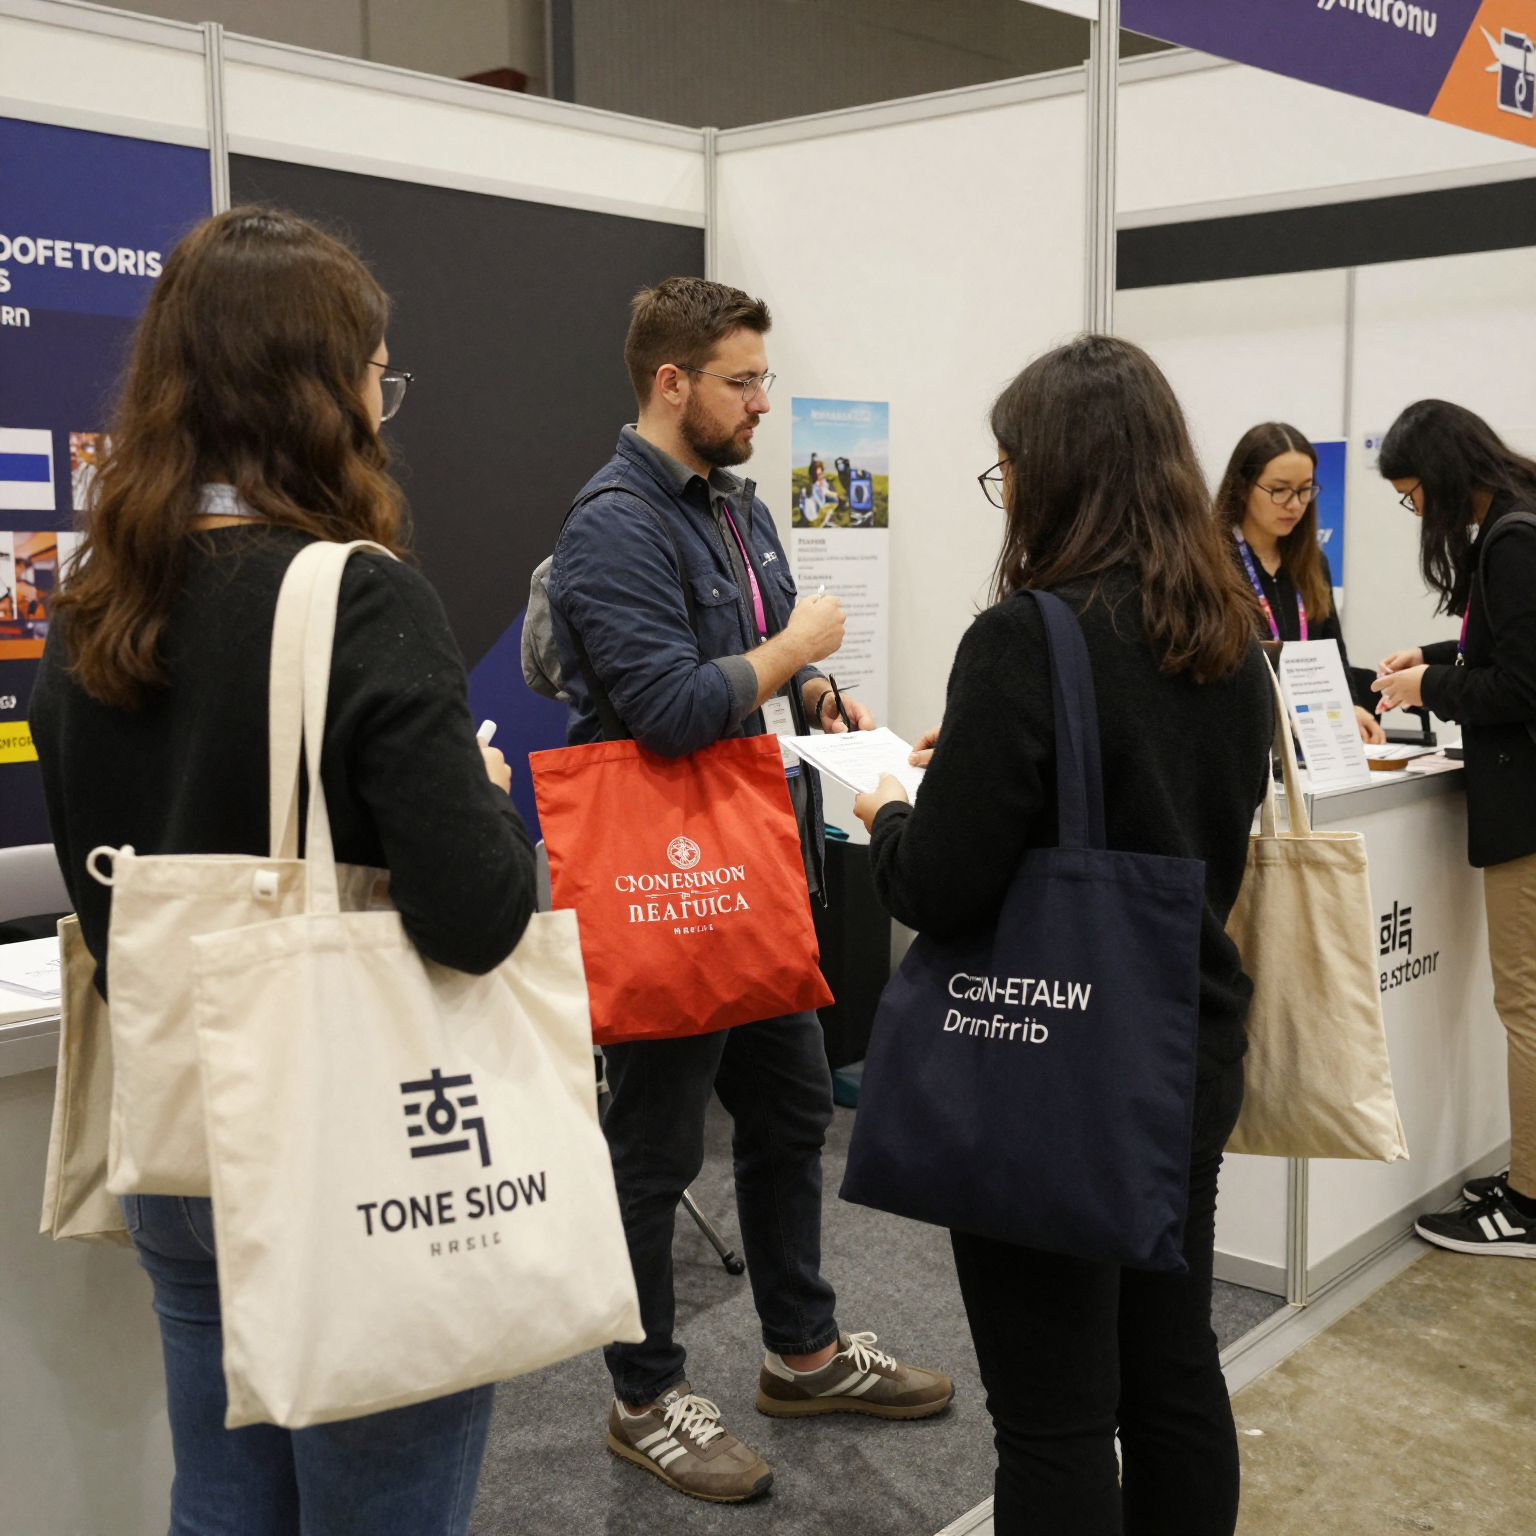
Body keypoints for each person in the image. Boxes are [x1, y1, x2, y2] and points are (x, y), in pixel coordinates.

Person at [30, 208, 537, 1535]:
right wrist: (479, 800)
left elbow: (109, 902)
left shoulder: (87, 604)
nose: (384, 402)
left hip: (179, 1129)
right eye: (378, 371)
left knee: (224, 1502)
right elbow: (476, 921)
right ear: (320, 390)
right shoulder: (357, 595)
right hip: (349, 1143)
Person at [853, 335, 1273, 1536]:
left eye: (1009, 470)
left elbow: (942, 882)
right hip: (1178, 1050)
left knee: (1054, 1419)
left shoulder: (1026, 639)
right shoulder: (1229, 634)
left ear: (1060, 474)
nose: (1008, 495)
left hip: (1049, 1067)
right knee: (1172, 1369)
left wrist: (888, 814)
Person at [546, 275, 952, 1504]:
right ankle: (645, 1396)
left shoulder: (737, 506)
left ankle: (804, 1353)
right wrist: (796, 652)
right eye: (743, 381)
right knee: (654, 1148)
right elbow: (670, 709)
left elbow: (760, 660)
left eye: (763, 379)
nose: (764, 403)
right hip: (669, 880)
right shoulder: (612, 522)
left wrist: (821, 700)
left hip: (750, 864)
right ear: (671, 383)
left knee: (784, 1111)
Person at [1373, 399, 1536, 1260]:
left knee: (1526, 1003)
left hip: (1527, 809)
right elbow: (1504, 646)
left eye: (1412, 497)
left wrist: (1423, 693)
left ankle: (1529, 1202)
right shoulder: (1521, 516)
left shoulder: (1510, 537)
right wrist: (1433, 660)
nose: (1417, 515)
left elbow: (1520, 686)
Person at [1214, 421, 1383, 743]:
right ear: (1242, 486)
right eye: (1279, 490)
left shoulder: (1312, 561)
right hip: (1244, 738)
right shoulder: (1212, 562)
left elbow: (1331, 648)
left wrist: (1351, 706)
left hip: (1311, 740)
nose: (1294, 504)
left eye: (1305, 489)